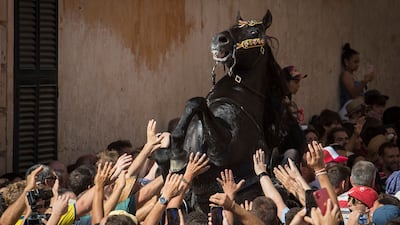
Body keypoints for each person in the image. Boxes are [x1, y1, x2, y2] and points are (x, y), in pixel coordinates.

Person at [339, 43, 374, 108]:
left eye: (358, 62)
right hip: (349, 110)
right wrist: (364, 82)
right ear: (346, 62)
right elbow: (354, 94)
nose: (357, 65)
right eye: (355, 62)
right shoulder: (345, 75)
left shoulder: (352, 75)